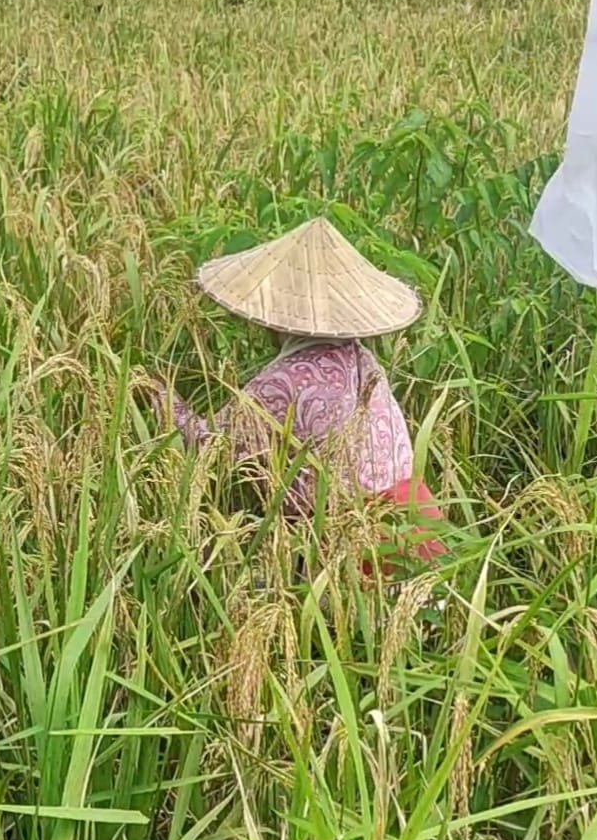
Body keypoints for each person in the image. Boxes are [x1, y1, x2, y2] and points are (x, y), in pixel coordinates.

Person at [155, 216, 447, 575]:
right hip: (419, 526)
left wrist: (163, 401)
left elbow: (210, 445)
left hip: (359, 542)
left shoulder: (285, 381)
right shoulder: (362, 358)